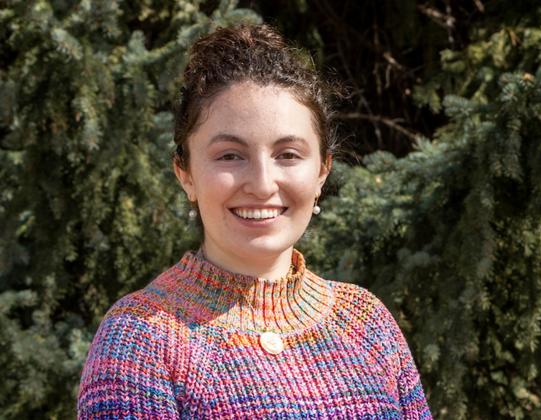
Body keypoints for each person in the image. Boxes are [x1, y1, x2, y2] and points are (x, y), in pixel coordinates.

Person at [77, 23, 432, 419]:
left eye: (288, 154)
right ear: (186, 174)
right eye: (230, 155)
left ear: (322, 172)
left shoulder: (366, 323)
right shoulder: (141, 339)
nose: (262, 185)